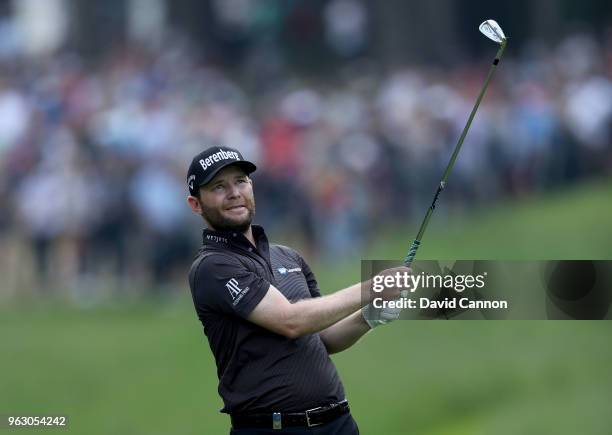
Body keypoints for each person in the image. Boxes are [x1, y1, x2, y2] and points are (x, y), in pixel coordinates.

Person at [186, 146, 409, 434]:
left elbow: (322, 338)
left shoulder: (288, 257)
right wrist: (373, 287)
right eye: (218, 186)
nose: (234, 193)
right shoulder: (212, 267)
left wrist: (368, 317)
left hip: (338, 423)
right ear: (196, 204)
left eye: (240, 181)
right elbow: (291, 321)